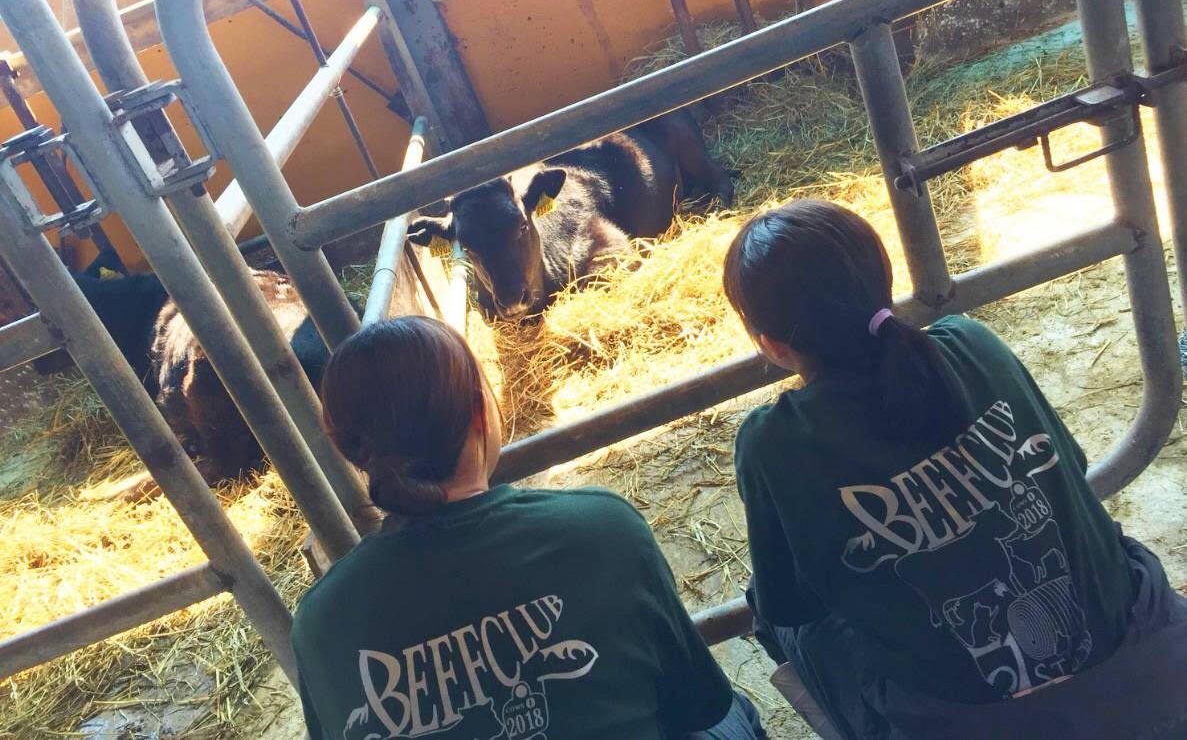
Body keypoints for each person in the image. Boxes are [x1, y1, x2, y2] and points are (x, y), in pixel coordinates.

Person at [722, 199, 1187, 740]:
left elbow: (789, 602)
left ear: (772, 345)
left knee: (771, 612)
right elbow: (1073, 463)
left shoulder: (773, 441)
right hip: (1150, 669)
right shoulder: (972, 343)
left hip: (969, 721)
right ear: (883, 281)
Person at [292, 315, 765, 740]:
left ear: (349, 449)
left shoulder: (319, 621)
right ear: (479, 412)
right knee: (732, 714)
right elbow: (699, 704)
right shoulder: (602, 529)